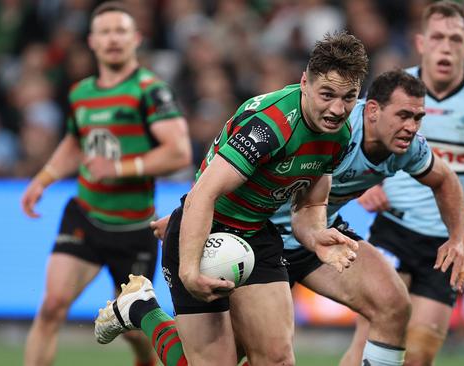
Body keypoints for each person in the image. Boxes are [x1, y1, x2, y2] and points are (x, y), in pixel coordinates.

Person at [95, 31, 370, 366]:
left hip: (256, 233)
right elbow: (203, 194)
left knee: (278, 359)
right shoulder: (270, 127)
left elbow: (310, 204)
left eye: (349, 98)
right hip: (206, 231)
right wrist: (189, 271)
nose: (337, 109)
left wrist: (315, 237)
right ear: (304, 83)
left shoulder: (339, 134)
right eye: (327, 94)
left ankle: (139, 308)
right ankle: (141, 309)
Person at [346, 2, 464, 365]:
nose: (446, 47)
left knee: (418, 357)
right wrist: (365, 186)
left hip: (447, 245)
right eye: (438, 37)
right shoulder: (394, 91)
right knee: (365, 346)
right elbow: (353, 143)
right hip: (393, 230)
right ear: (421, 42)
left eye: (455, 38)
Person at [20, 2, 192, 366]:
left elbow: (178, 153)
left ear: (136, 39)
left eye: (120, 31)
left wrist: (119, 167)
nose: (113, 39)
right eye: (105, 32)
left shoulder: (151, 91)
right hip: (85, 217)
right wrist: (45, 178)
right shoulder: (81, 92)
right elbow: (74, 142)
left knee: (133, 330)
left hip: (134, 230)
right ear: (92, 42)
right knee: (51, 307)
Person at [268, 69, 464, 366]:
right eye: (403, 116)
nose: (412, 127)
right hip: (264, 239)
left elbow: (445, 179)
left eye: (418, 118)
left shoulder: (408, 148)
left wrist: (457, 238)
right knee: (258, 354)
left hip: (320, 238)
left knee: (394, 305)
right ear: (372, 110)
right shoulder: (337, 127)